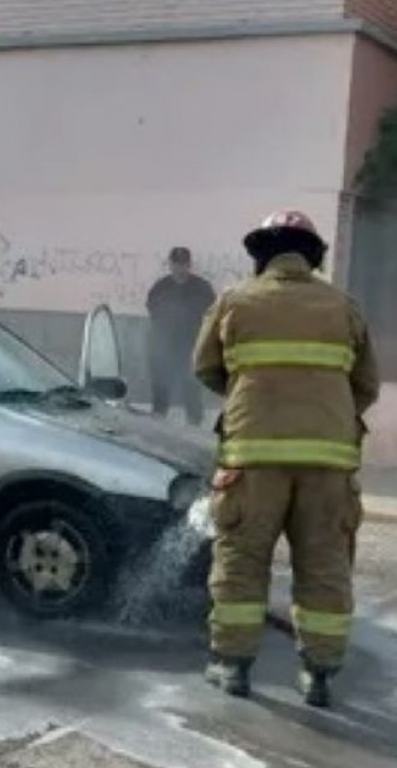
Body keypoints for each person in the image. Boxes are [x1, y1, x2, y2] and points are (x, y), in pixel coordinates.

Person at [193, 210, 379, 707]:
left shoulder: (235, 302)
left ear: (262, 255)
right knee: (323, 566)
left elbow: (205, 369)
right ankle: (318, 675)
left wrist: (251, 399)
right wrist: (328, 417)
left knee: (242, 560)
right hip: (329, 467)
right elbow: (367, 386)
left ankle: (232, 668)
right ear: (312, 254)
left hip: (251, 461)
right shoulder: (345, 307)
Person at [145, 247, 217, 426]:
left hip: (191, 346)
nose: (179, 268)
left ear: (189, 265)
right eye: (176, 264)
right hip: (164, 346)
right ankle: (158, 420)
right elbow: (152, 311)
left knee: (191, 387)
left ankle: (194, 423)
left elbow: (212, 313)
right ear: (170, 264)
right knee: (161, 385)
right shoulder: (161, 287)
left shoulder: (202, 287)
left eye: (183, 264)